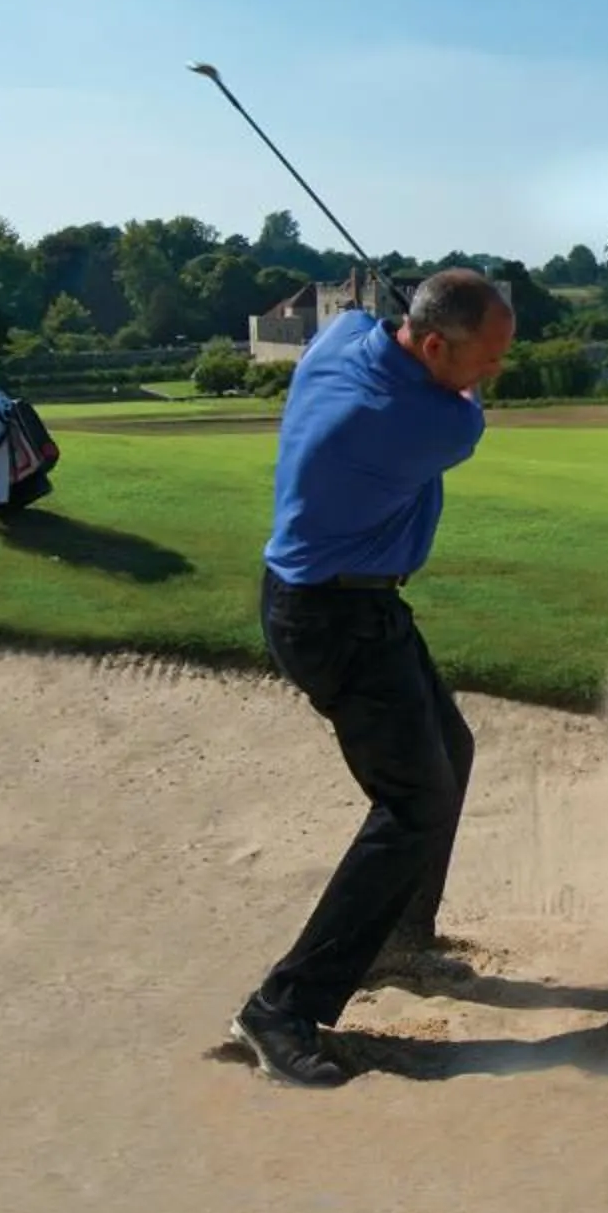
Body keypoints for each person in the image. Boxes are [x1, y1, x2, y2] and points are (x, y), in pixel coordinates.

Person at [226, 267, 516, 1089]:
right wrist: (454, 378)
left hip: (349, 604)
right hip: (334, 621)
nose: (492, 373)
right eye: (485, 358)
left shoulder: (337, 344)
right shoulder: (421, 423)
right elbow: (468, 416)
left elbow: (360, 325)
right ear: (430, 345)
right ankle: (281, 1007)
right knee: (412, 803)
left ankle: (396, 940)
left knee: (447, 751)